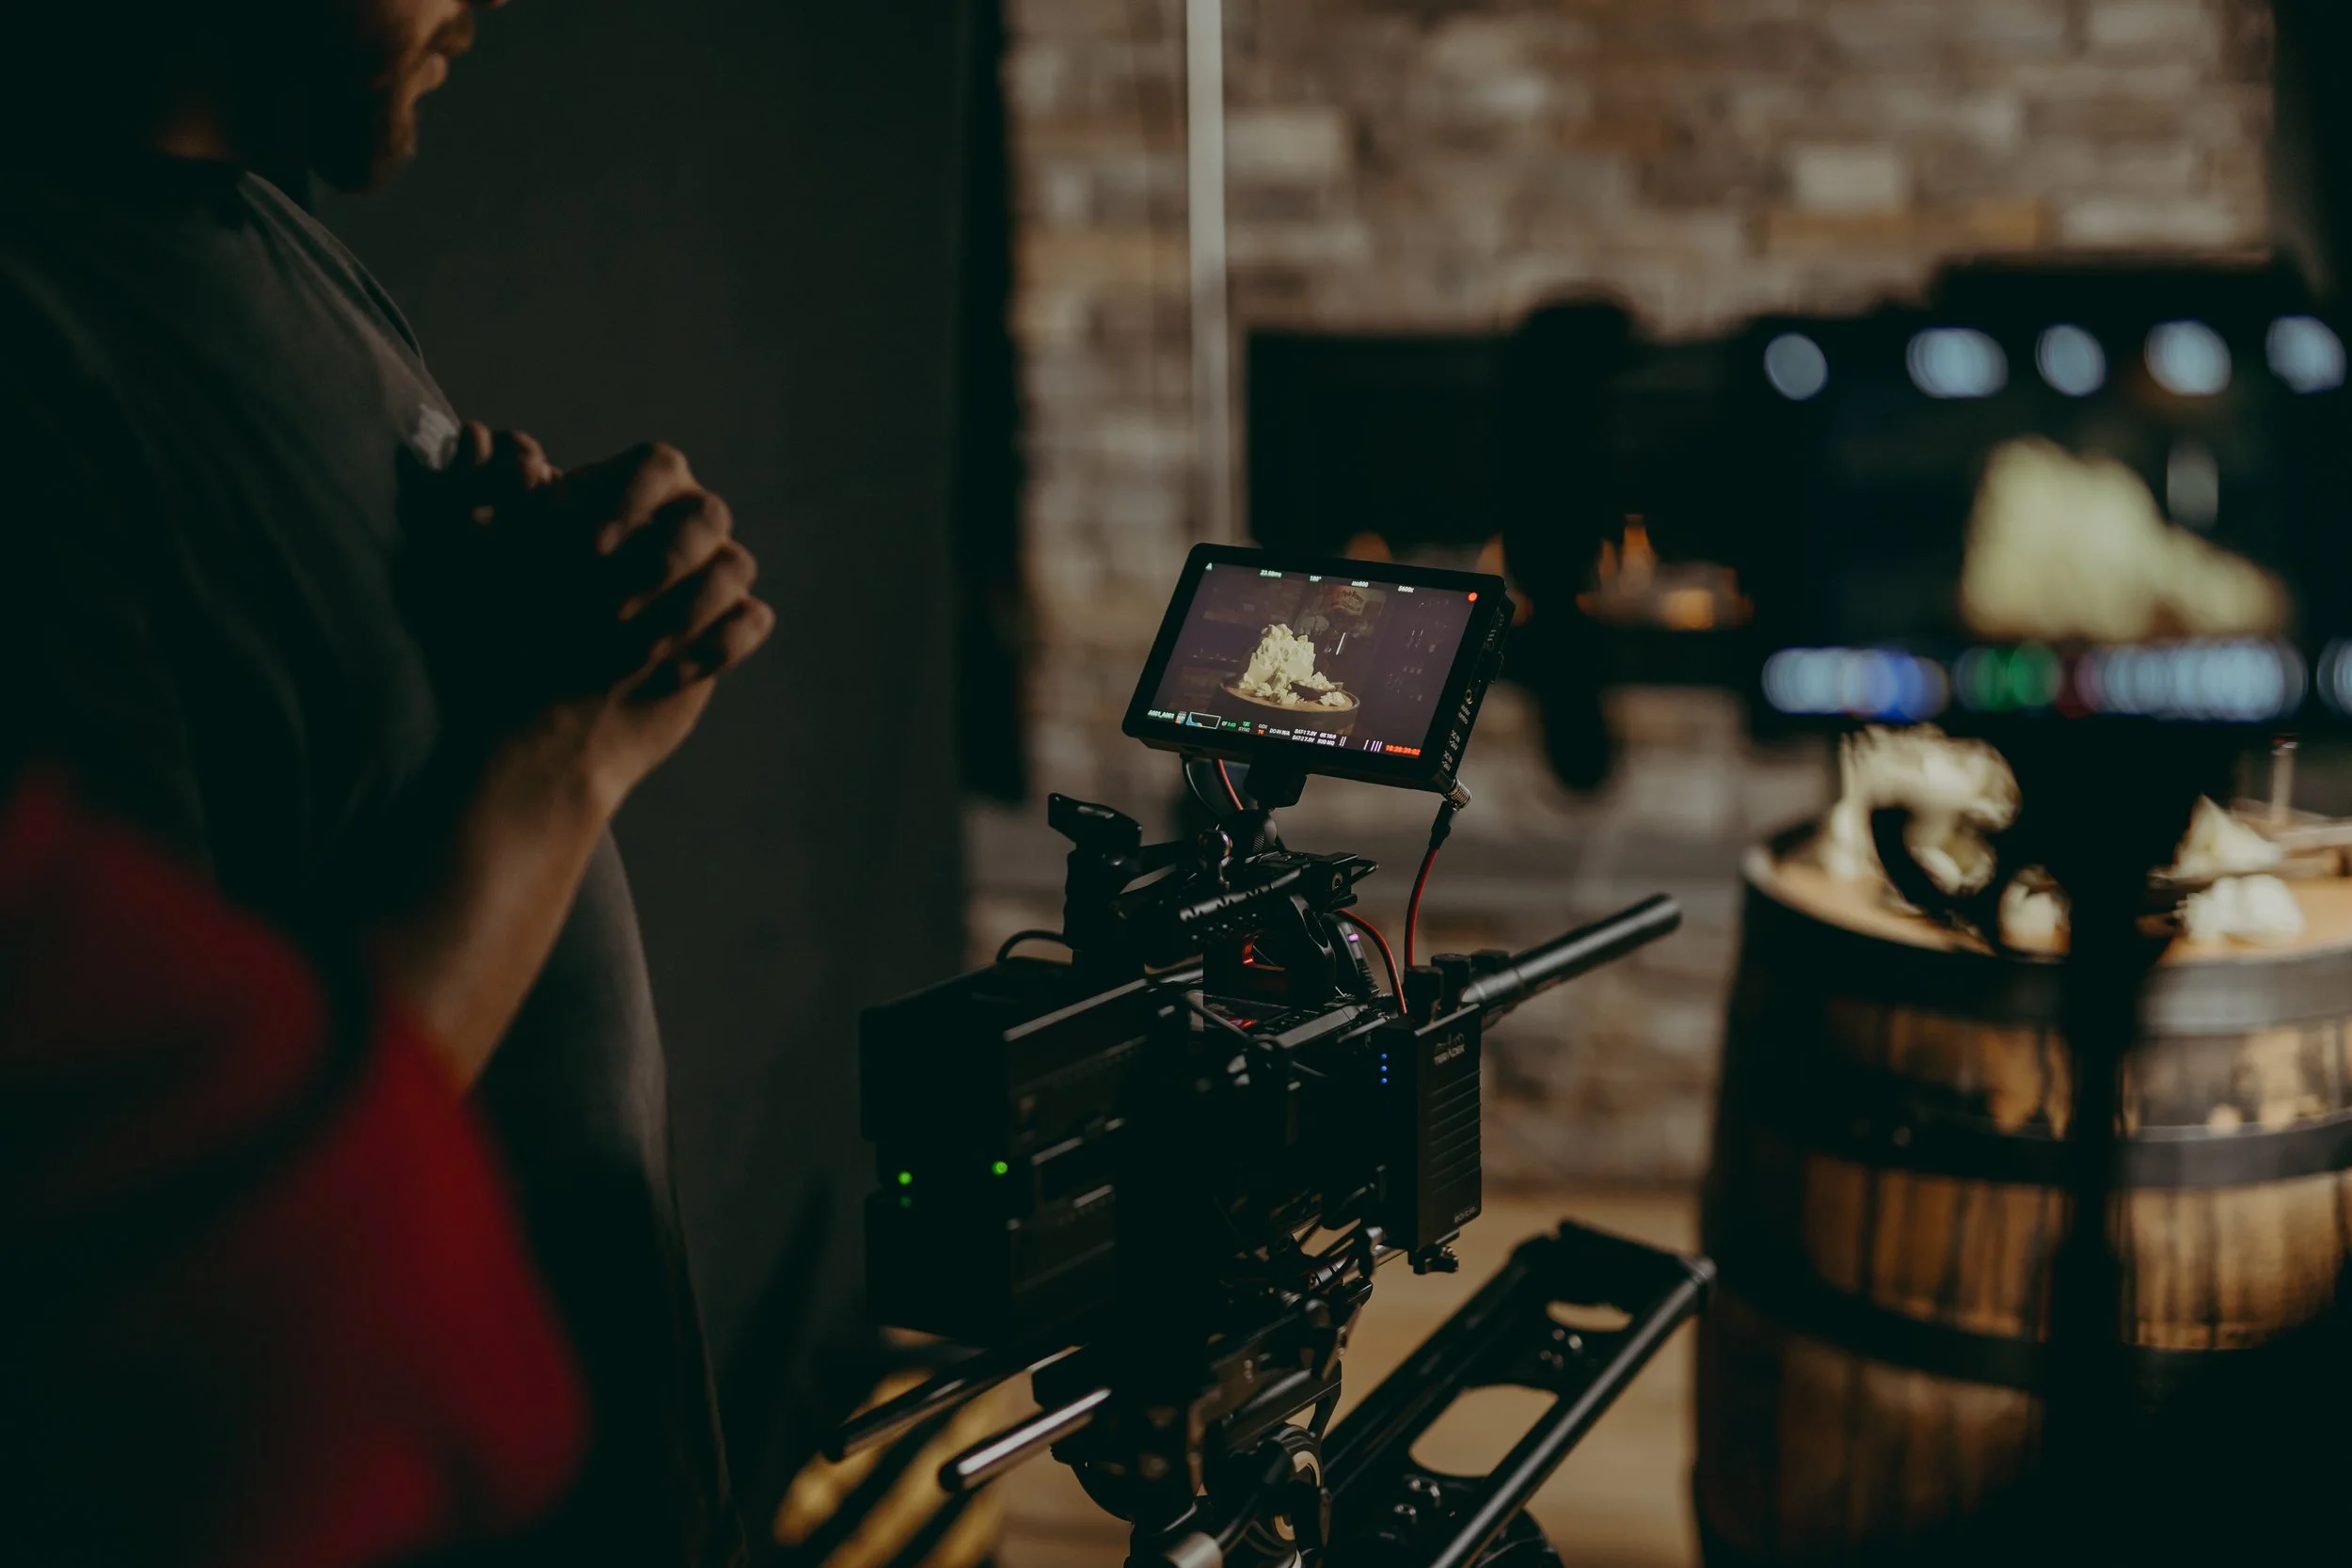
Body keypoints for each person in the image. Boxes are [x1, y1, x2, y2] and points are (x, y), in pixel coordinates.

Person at [0, 1, 771, 1562]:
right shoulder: (30, 358)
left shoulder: (271, 233)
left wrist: (532, 636)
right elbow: (216, 1228)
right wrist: (566, 747)